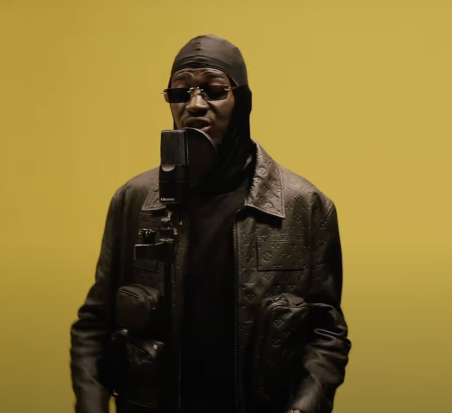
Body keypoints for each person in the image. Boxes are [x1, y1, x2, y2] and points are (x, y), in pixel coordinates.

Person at [70, 34, 351, 413]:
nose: (195, 104)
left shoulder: (305, 206)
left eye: (214, 90)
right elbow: (94, 325)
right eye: (180, 92)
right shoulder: (133, 201)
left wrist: (303, 409)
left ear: (242, 101)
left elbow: (326, 332)